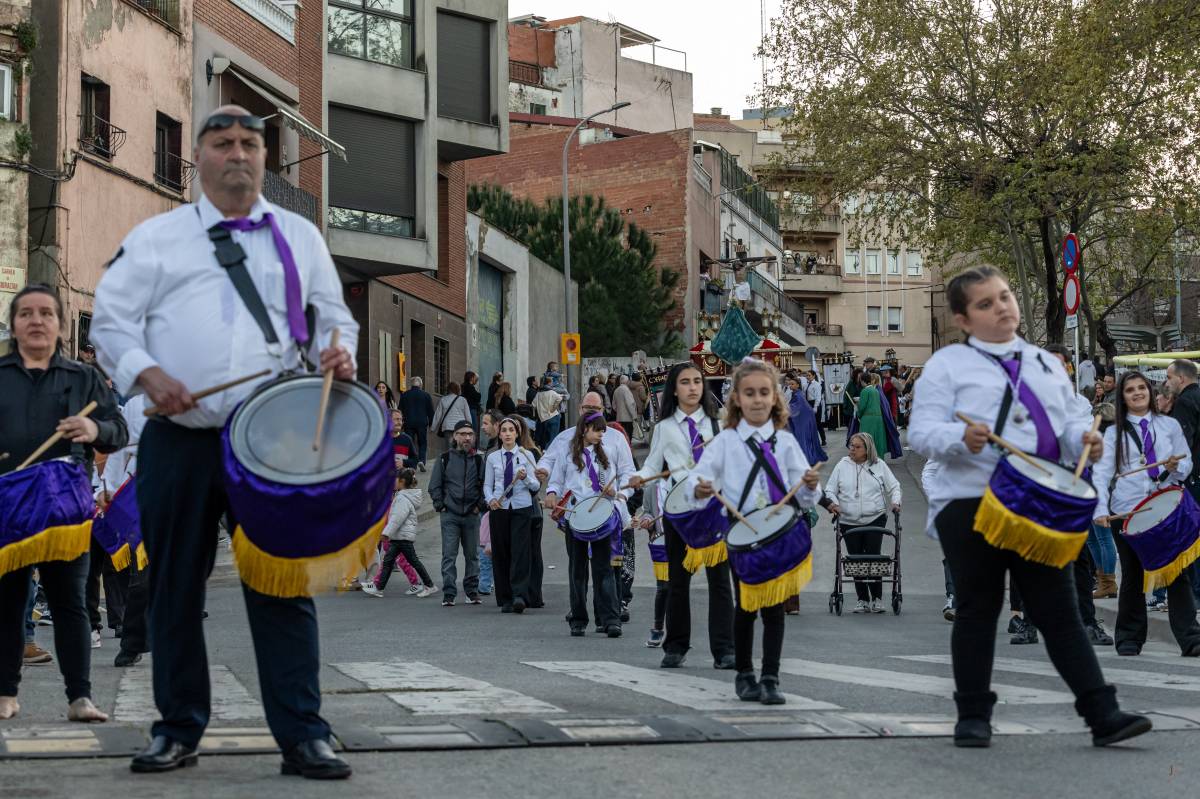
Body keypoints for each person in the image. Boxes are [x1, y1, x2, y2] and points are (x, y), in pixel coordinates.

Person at [91, 107, 357, 777]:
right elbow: (111, 323)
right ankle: (177, 728)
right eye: (222, 143)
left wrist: (340, 353)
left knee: (281, 585)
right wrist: (147, 372)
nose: (237, 153)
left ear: (265, 158)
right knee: (173, 586)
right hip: (178, 439)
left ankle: (304, 734)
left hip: (270, 440)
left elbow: (335, 319)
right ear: (199, 158)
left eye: (249, 143)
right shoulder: (157, 238)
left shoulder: (299, 235)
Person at [909, 265, 1150, 748]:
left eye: (1004, 296)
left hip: (1037, 500)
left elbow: (1062, 429)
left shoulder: (1043, 363)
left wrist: (1083, 442)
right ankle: (972, 718)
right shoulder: (948, 365)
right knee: (979, 607)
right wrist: (962, 436)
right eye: (985, 303)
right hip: (972, 501)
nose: (1001, 307)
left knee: (1058, 609)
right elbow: (920, 433)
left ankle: (1103, 715)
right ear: (962, 319)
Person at [0, 284, 128, 723]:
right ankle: (5, 693)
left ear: (59, 325)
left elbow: (118, 428)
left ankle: (80, 698)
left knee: (70, 600)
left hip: (65, 509)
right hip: (8, 505)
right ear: (14, 325)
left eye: (46, 314)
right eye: (27, 314)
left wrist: (94, 432)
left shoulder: (83, 378)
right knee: (8, 601)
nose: (37, 321)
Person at [686, 359, 822, 705]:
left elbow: (806, 495)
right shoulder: (725, 442)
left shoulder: (785, 442)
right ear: (737, 399)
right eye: (750, 393)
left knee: (775, 607)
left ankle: (771, 678)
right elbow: (700, 479)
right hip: (742, 531)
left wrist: (809, 485)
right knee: (746, 604)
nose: (758, 399)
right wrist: (700, 490)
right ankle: (745, 674)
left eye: (764, 392)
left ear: (775, 397)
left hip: (779, 532)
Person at [627, 363, 735, 670]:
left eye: (697, 381)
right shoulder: (664, 428)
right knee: (677, 582)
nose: (692, 387)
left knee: (719, 583)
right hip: (678, 512)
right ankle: (675, 646)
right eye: (685, 382)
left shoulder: (719, 425)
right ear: (675, 389)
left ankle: (724, 650)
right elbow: (652, 465)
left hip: (714, 511)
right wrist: (640, 476)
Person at [1093, 371, 1200, 657]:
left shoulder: (1169, 425)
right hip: (1127, 510)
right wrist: (1101, 509)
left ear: (1151, 393)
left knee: (1176, 574)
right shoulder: (1114, 432)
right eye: (1130, 390)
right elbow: (1102, 474)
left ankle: (1191, 638)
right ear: (1123, 397)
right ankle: (1129, 638)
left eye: (1142, 388)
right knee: (1133, 575)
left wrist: (1176, 466)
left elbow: (1186, 465)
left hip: (1164, 510)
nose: (1138, 393)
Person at [1042, 343, 1113, 645]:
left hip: (1072, 484)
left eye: (1062, 365)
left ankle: (1086, 620)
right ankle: (1029, 618)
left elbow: (1085, 438)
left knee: (1080, 557)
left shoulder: (1078, 404)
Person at [545, 413, 632, 637]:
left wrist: (618, 493)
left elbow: (623, 478)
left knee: (605, 569)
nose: (602, 434)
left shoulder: (607, 453)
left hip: (603, 516)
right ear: (584, 429)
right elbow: (555, 480)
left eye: (603, 431)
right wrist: (552, 493)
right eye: (597, 430)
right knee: (577, 570)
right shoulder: (567, 454)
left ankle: (610, 619)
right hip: (575, 515)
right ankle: (578, 619)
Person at [98, 393, 152, 667]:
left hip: (183, 488)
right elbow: (120, 450)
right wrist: (107, 486)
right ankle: (132, 643)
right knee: (141, 577)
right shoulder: (136, 403)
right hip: (141, 489)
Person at [825, 433, 902, 613]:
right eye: (851, 445)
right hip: (848, 520)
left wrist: (896, 501)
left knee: (872, 556)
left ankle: (877, 598)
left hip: (874, 517)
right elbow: (829, 489)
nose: (852, 449)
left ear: (867, 450)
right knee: (855, 558)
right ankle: (862, 599)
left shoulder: (879, 465)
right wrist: (834, 503)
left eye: (857, 446)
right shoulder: (842, 465)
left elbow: (895, 486)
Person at [484, 417, 541, 614]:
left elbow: (536, 486)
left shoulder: (527, 455)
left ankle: (519, 595)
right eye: (504, 430)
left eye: (511, 430)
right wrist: (490, 499)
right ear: (499, 434)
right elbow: (487, 485)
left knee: (520, 552)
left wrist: (525, 479)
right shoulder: (492, 458)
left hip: (521, 507)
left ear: (517, 433)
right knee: (501, 552)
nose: (507, 433)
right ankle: (505, 597)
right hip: (500, 508)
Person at [428, 420, 485, 606]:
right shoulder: (444, 458)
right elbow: (434, 485)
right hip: (450, 515)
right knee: (449, 555)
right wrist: (440, 505)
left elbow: (485, 486)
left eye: (470, 434)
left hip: (471, 515)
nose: (467, 437)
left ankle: (471, 591)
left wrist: (479, 506)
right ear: (455, 436)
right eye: (462, 433)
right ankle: (449, 593)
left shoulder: (478, 460)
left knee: (473, 556)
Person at [363, 468, 437, 599]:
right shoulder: (401, 495)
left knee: (412, 562)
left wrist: (386, 533)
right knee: (388, 561)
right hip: (399, 536)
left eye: (395, 480)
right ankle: (379, 588)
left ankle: (429, 585)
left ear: (402, 481)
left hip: (402, 536)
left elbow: (397, 519)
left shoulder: (402, 498)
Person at [1165, 358, 1200, 606]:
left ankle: (1196, 594)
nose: (1167, 383)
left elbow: (1181, 445)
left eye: (1168, 378)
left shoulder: (1185, 402)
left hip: (1194, 478)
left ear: (1181, 378)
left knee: (1193, 538)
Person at [399, 377, 434, 471]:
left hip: (408, 423)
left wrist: (400, 424)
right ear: (421, 385)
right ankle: (421, 460)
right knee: (422, 443)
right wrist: (431, 424)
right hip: (422, 423)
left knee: (410, 442)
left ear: (411, 385)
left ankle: (412, 464)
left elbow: (400, 410)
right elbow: (430, 411)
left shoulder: (405, 395)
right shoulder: (426, 395)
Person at [534, 378, 563, 449]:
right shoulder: (551, 392)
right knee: (553, 437)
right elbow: (560, 398)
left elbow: (533, 404)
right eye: (552, 382)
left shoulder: (539, 393)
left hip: (543, 418)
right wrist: (554, 408)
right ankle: (547, 451)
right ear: (549, 383)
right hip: (554, 416)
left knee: (546, 437)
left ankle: (545, 450)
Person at [805, 369, 827, 446]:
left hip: (815, 403)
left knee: (818, 423)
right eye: (806, 375)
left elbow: (818, 397)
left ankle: (823, 439)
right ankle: (812, 440)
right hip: (808, 403)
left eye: (809, 375)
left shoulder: (817, 384)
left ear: (813, 376)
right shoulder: (806, 384)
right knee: (810, 424)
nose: (807, 377)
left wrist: (815, 407)